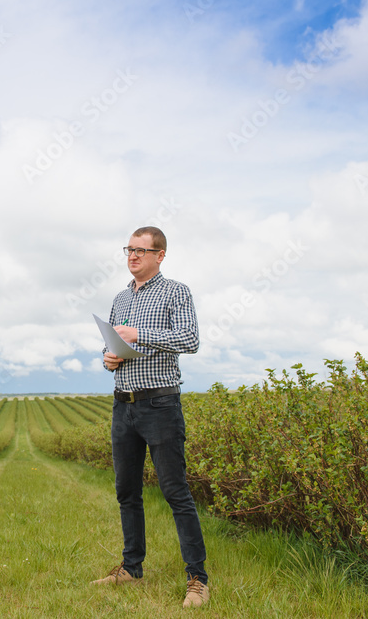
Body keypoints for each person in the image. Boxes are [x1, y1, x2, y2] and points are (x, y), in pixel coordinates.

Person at [90, 226, 209, 608]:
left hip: (160, 405)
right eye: (129, 249)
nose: (133, 255)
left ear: (160, 256)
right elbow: (114, 347)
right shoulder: (120, 298)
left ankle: (198, 580)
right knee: (127, 492)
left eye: (142, 250)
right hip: (122, 405)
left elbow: (189, 338)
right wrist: (109, 358)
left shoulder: (176, 291)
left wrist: (140, 334)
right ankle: (131, 568)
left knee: (176, 492)